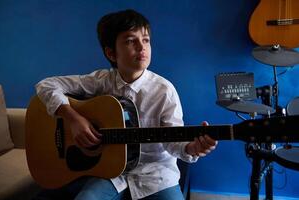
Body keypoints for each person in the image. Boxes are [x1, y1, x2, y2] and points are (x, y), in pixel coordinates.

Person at [35, 9, 218, 200]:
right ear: (111, 53)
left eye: (146, 40)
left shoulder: (165, 90)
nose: (142, 47)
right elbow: (46, 85)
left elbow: (173, 142)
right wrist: (74, 119)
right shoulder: (101, 81)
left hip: (155, 175)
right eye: (131, 41)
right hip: (110, 173)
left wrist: (192, 148)